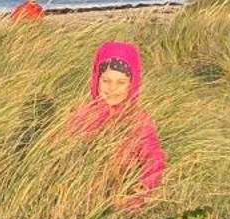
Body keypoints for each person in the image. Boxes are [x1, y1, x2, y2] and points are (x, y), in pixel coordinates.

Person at [66, 41, 165, 207]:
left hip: (125, 195)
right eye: (106, 81)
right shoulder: (82, 116)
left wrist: (146, 184)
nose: (112, 88)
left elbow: (153, 156)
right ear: (96, 80)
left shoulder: (138, 119)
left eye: (121, 82)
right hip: (85, 195)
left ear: (132, 84)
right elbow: (63, 150)